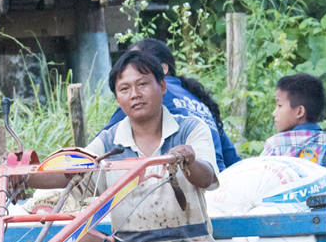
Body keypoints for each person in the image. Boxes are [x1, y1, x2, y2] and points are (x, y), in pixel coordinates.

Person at [41, 50, 226, 242]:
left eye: (142, 84)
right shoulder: (110, 139)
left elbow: (208, 176)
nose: (135, 94)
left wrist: (189, 160)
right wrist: (27, 175)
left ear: (162, 86)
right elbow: (73, 170)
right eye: (124, 89)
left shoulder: (190, 128)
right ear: (117, 98)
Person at [100, 38, 241, 170]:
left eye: (136, 62)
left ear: (162, 72)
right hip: (222, 182)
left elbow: (93, 156)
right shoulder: (195, 96)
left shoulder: (149, 97)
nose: (128, 68)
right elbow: (233, 161)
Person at [262, 73, 326, 178]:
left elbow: (262, 183)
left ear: (300, 111)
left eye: (279, 106)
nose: (274, 113)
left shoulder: (275, 145)